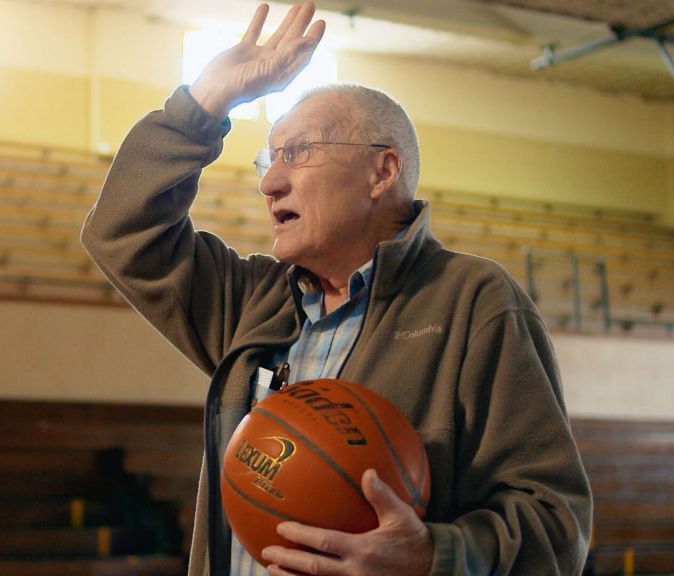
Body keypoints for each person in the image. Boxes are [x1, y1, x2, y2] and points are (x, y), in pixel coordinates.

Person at [80, 2, 593, 575]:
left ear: (382, 171)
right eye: (268, 160)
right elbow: (121, 233)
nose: (270, 183)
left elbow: (557, 522)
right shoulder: (254, 300)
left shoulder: (475, 301)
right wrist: (203, 104)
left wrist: (433, 557)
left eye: (298, 154)